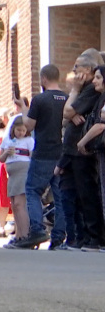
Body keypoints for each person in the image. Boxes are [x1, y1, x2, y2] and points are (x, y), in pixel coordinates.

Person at [13, 64, 67, 249]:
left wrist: (23, 108)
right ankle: (59, 237)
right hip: (62, 153)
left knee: (33, 191)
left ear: (44, 79)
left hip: (43, 152)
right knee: (60, 196)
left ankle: (37, 230)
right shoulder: (67, 98)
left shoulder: (40, 99)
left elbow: (28, 125)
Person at [58, 53, 105, 251]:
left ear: (87, 70)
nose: (74, 71)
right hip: (75, 149)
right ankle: (83, 237)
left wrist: (75, 92)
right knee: (78, 194)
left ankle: (94, 237)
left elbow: (68, 112)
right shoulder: (86, 89)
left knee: (88, 193)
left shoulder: (90, 91)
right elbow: (65, 116)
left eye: (77, 68)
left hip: (84, 151)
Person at [0, 115, 33, 246]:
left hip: (23, 170)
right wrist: (7, 152)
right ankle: (18, 235)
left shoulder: (29, 141)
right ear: (13, 129)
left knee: (20, 204)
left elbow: (32, 156)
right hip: (11, 172)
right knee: (13, 205)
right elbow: (1, 159)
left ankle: (25, 235)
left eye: (23, 130)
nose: (21, 133)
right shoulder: (7, 141)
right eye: (18, 130)